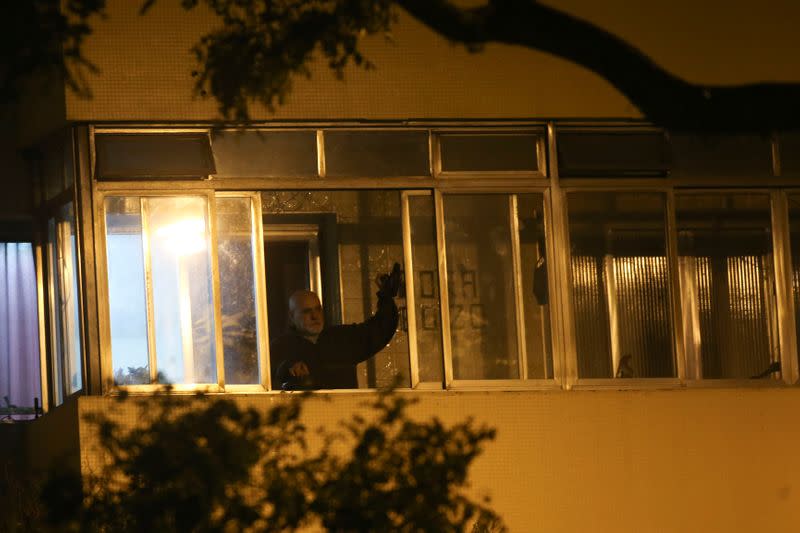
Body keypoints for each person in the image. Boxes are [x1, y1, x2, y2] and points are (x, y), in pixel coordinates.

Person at [270, 263, 402, 390]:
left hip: (344, 410)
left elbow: (379, 329)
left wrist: (386, 296)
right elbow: (272, 373)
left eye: (318, 309)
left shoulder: (341, 338)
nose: (315, 316)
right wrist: (287, 368)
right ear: (292, 317)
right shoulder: (281, 346)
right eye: (306, 311)